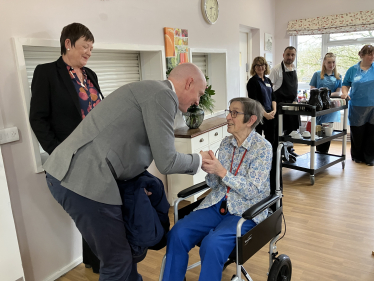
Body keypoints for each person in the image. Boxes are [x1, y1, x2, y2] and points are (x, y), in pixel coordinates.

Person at [42, 62, 212, 281]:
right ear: (189, 82)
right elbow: (167, 161)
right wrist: (200, 160)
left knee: (124, 255)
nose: (198, 101)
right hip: (83, 179)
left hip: (76, 174)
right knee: (117, 261)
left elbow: (125, 142)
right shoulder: (164, 95)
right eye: (199, 93)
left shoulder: (151, 90)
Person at [162, 98, 272, 281]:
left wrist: (221, 171)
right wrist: (210, 169)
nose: (228, 117)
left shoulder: (262, 148)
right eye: (229, 111)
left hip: (246, 211)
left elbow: (252, 190)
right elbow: (215, 184)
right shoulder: (225, 144)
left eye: (234, 113)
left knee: (211, 244)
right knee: (177, 233)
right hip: (217, 203)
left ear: (251, 119)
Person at [29, 22, 103, 273]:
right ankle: (98, 261)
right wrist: (59, 152)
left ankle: (97, 259)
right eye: (85, 46)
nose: (89, 52)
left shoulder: (90, 74)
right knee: (88, 209)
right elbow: (37, 118)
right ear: (68, 44)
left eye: (91, 48)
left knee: (99, 206)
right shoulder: (47, 73)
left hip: (99, 153)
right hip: (73, 156)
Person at [342, 45, 374, 166]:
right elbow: (345, 84)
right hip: (357, 106)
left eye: (373, 54)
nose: (372, 57)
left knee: (372, 132)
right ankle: (357, 156)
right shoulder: (352, 69)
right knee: (357, 132)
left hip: (373, 105)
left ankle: (370, 158)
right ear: (362, 55)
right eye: (369, 54)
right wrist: (345, 93)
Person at [309, 52, 342, 153]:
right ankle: (319, 152)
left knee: (327, 132)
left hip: (331, 108)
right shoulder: (317, 74)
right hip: (319, 107)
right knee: (318, 131)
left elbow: (338, 92)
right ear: (324, 62)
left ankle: (324, 153)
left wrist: (326, 95)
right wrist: (321, 94)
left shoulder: (338, 76)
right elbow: (312, 88)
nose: (331, 64)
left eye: (333, 62)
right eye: (329, 62)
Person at [269, 46, 300, 135]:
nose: (290, 57)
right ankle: (278, 149)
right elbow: (269, 89)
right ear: (283, 55)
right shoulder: (276, 69)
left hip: (293, 104)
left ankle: (289, 149)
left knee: (292, 132)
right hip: (280, 105)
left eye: (293, 55)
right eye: (288, 54)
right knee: (278, 131)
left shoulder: (295, 68)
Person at [247, 56, 276, 146]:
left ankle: (271, 160)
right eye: (257, 65)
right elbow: (255, 101)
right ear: (254, 67)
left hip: (270, 114)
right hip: (258, 115)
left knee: (271, 141)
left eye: (262, 65)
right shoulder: (252, 82)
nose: (260, 67)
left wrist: (274, 111)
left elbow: (273, 97)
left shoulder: (268, 80)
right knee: (258, 142)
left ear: (265, 66)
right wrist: (265, 114)